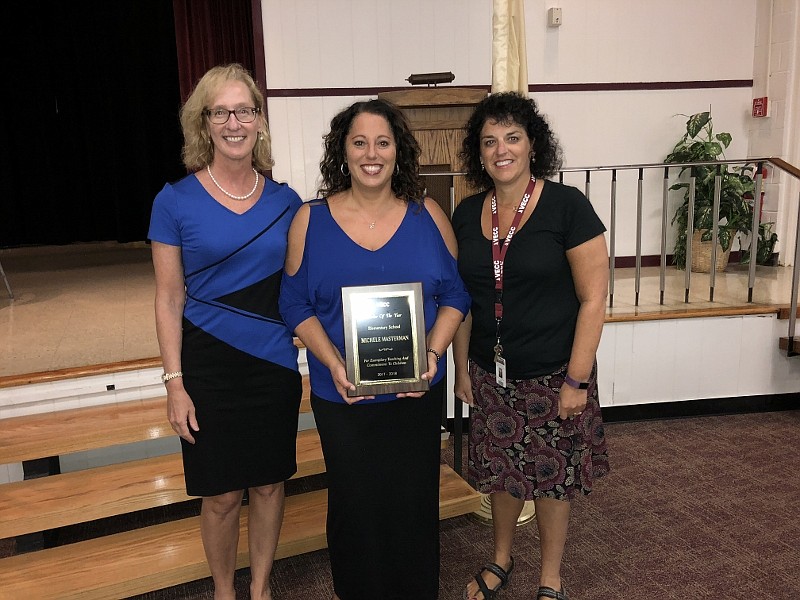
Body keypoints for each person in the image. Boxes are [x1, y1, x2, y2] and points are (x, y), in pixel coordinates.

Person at [279, 98, 471, 600]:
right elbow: (294, 303)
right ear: (343, 151)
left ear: (398, 151)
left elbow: (456, 295)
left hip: (417, 394)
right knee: (354, 507)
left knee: (413, 504)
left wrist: (431, 355)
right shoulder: (310, 220)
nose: (371, 153)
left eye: (382, 142)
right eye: (359, 142)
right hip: (343, 397)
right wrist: (334, 362)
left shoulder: (428, 215)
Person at [148, 63, 303, 600]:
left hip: (273, 364)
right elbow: (168, 296)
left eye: (244, 110)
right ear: (204, 123)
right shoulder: (174, 201)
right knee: (219, 496)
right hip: (207, 365)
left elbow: (305, 284)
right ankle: (223, 591)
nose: (234, 122)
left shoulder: (288, 202)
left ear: (259, 120)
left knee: (267, 484)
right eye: (221, 112)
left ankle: (259, 588)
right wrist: (174, 381)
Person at [452, 91, 611, 600]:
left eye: (513, 138)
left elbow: (593, 299)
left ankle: (550, 577)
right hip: (488, 372)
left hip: (553, 373)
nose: (502, 149)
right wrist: (461, 367)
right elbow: (462, 298)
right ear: (479, 155)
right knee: (500, 472)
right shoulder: (467, 212)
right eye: (490, 141)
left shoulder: (568, 207)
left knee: (551, 478)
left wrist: (576, 379)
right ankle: (500, 559)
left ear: (532, 146)